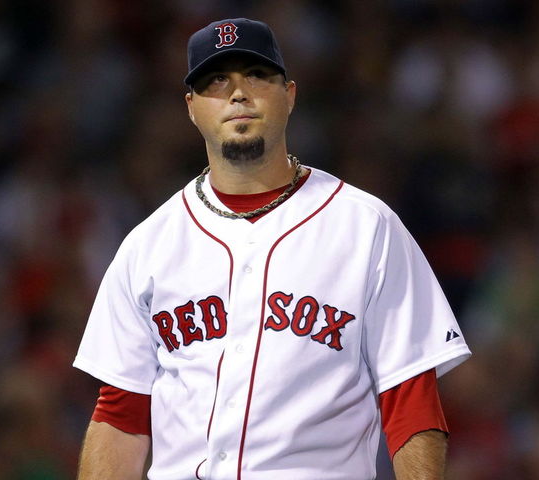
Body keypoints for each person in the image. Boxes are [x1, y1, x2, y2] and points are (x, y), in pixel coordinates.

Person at [73, 17, 471, 480]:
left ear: (290, 94)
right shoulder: (148, 245)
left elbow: (412, 406)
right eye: (216, 81)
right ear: (191, 108)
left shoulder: (367, 228)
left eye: (257, 76)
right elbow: (120, 415)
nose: (238, 93)